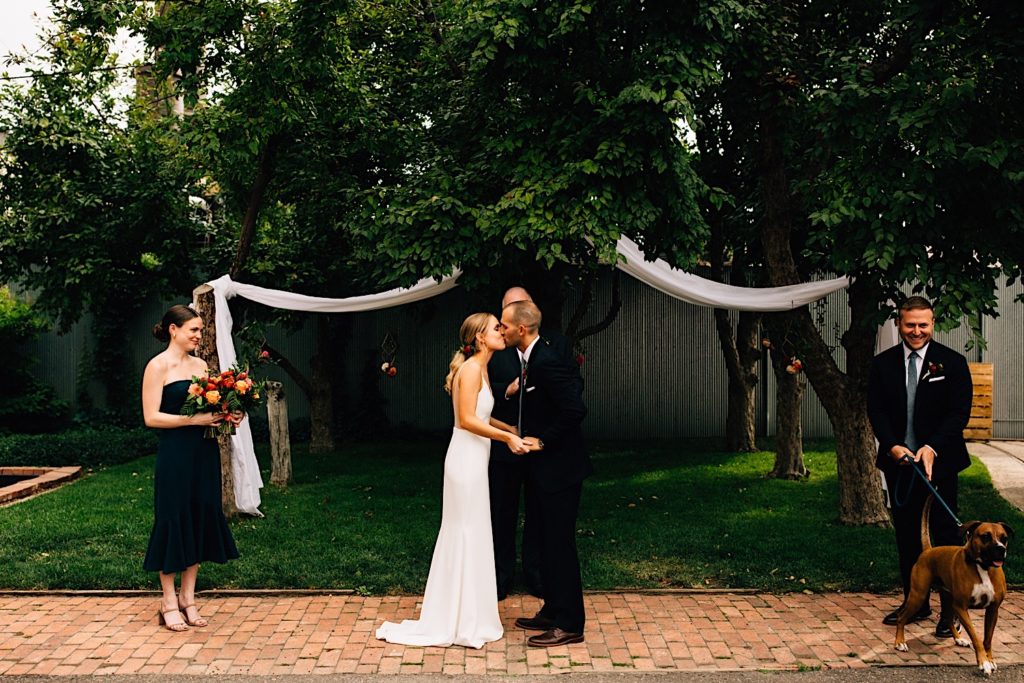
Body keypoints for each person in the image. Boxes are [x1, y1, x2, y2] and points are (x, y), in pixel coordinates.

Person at [376, 313, 528, 648]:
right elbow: (466, 421)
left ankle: (468, 614)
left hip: (476, 457)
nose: (501, 332)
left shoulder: (482, 367)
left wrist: (511, 430)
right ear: (479, 338)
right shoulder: (472, 369)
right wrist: (507, 441)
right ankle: (457, 619)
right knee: (464, 531)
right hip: (465, 460)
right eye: (495, 329)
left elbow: (483, 416)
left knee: (473, 531)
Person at [867, 296, 973, 639]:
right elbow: (877, 410)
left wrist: (932, 448)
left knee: (944, 540)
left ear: (933, 323)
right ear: (899, 323)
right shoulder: (882, 364)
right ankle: (916, 603)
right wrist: (893, 445)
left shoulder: (952, 364)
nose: (916, 331)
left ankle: (950, 612)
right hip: (901, 465)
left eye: (922, 325)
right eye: (910, 324)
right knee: (908, 537)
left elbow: (959, 414)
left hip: (940, 463)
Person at [142, 305, 240, 632]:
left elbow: (212, 406)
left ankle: (189, 598)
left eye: (200, 330)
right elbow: (151, 417)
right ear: (173, 329)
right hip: (175, 454)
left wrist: (229, 416)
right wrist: (192, 419)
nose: (199, 336)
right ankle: (168, 601)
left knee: (200, 514)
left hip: (204, 451)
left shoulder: (201, 365)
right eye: (193, 330)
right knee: (173, 518)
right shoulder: (157, 367)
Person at [500, 300, 592, 647]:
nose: (502, 330)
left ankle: (569, 623)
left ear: (520, 329)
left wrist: (542, 441)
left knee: (560, 545)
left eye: (505, 326)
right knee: (546, 543)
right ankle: (553, 609)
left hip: (561, 470)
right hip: (542, 471)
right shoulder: (531, 360)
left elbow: (574, 409)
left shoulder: (547, 362)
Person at [488, 286, 573, 601]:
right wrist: (507, 390)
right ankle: (500, 577)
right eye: (508, 309)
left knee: (540, 514)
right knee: (501, 513)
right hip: (502, 445)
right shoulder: (494, 346)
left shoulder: (556, 346)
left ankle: (537, 577)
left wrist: (546, 439)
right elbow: (476, 388)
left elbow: (571, 394)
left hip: (540, 448)